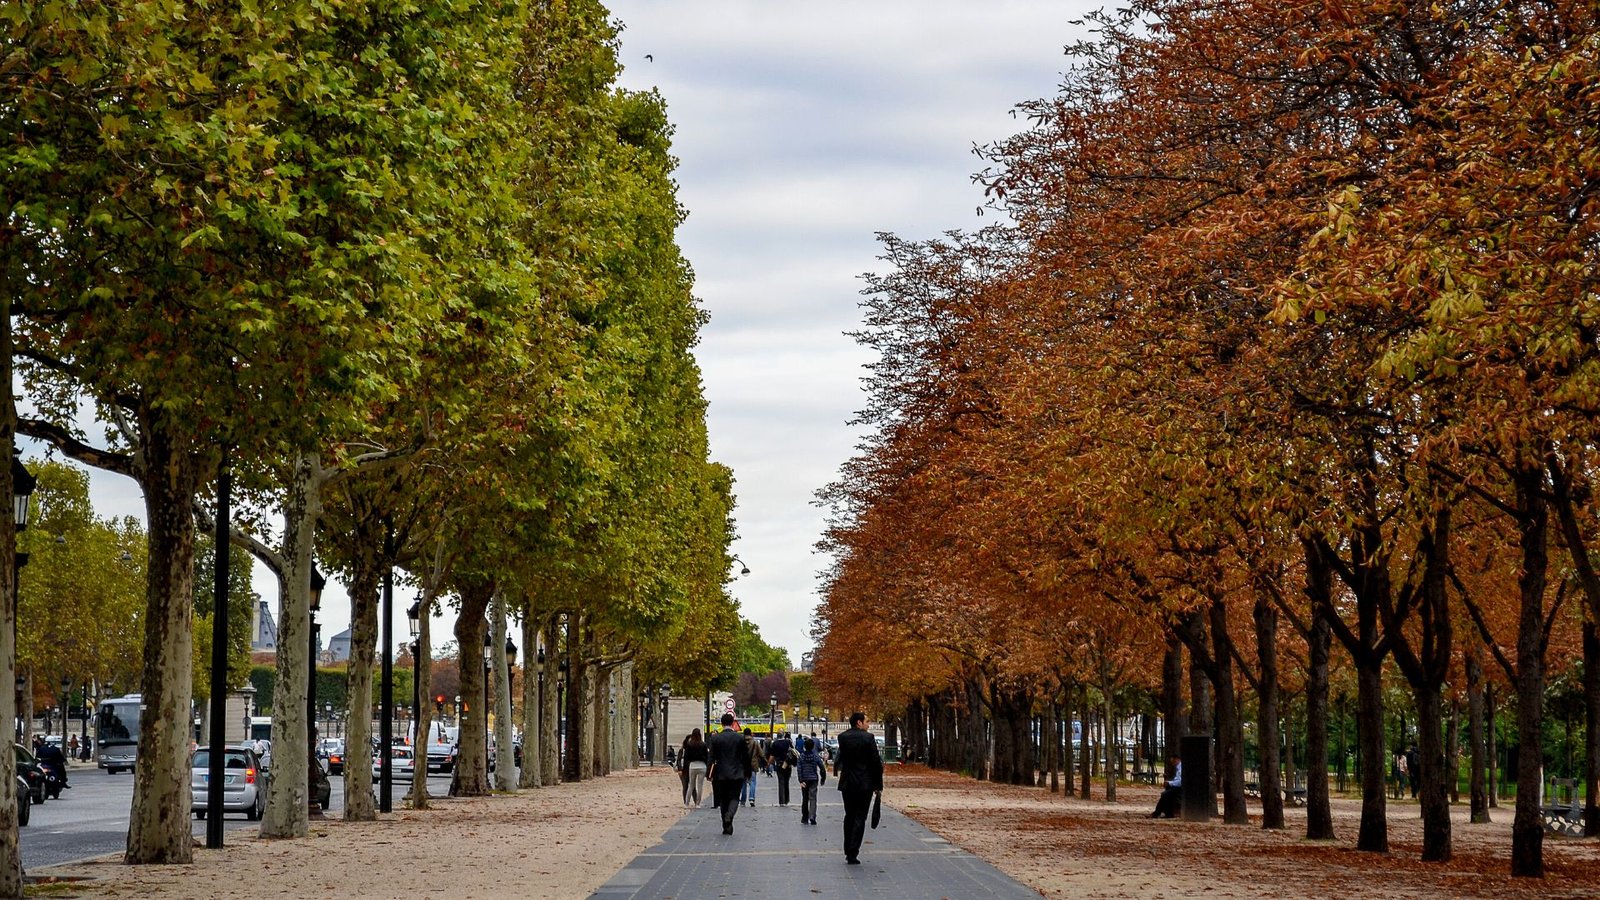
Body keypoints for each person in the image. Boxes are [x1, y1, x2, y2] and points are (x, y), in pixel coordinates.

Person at [832, 711, 883, 865]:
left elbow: (842, 759)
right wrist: (878, 785)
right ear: (859, 723)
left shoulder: (843, 737)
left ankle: (847, 847)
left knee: (849, 815)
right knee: (860, 817)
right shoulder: (868, 738)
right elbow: (875, 762)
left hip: (848, 782)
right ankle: (853, 851)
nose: (869, 724)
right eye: (867, 721)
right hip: (864, 783)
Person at [707, 715, 750, 835]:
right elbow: (745, 757)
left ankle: (726, 825)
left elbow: (711, 758)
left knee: (723, 800)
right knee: (735, 797)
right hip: (737, 773)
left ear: (721, 723)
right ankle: (729, 815)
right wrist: (747, 772)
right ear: (732, 723)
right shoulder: (739, 738)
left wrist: (709, 773)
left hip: (720, 774)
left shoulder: (715, 739)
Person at [796, 736, 825, 825]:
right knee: (813, 798)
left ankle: (805, 817)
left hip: (804, 779)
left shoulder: (801, 756)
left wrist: (800, 780)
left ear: (805, 746)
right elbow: (822, 767)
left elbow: (799, 769)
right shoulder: (815, 756)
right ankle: (812, 816)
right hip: (813, 779)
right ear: (813, 747)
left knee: (805, 798)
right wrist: (823, 777)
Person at [680, 728, 709, 808]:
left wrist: (686, 767)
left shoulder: (689, 744)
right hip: (702, 765)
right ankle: (698, 803)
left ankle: (687, 803)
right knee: (700, 786)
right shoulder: (703, 744)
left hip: (692, 765)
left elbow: (686, 757)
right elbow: (706, 757)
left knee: (691, 785)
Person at [768, 730, 796, 807]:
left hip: (779, 764)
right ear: (783, 735)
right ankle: (787, 799)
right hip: (788, 764)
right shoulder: (788, 742)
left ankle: (781, 801)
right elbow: (793, 752)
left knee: (781, 782)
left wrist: (769, 763)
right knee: (787, 782)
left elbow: (772, 756)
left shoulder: (775, 744)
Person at [739, 727, 760, 807]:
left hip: (743, 765)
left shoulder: (740, 742)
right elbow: (760, 753)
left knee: (743, 783)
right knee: (753, 782)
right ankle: (751, 798)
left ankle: (743, 801)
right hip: (753, 765)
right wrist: (765, 761)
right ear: (751, 733)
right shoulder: (755, 743)